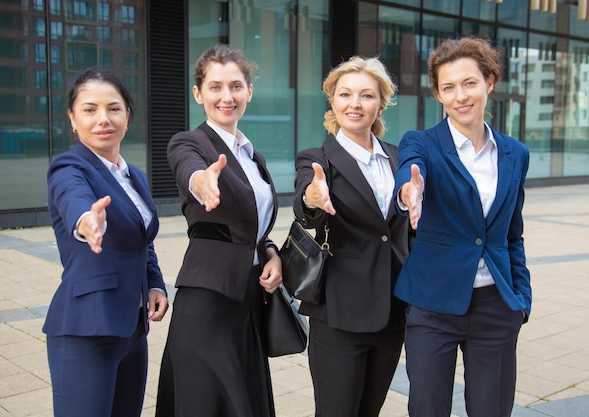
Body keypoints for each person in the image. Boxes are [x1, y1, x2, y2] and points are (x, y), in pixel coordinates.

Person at [393, 36, 531, 417]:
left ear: (489, 82)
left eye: (469, 83)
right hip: (433, 305)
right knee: (428, 409)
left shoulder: (515, 153)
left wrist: (521, 299)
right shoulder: (420, 142)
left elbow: (512, 233)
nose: (460, 96)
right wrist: (411, 190)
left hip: (495, 307)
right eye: (448, 87)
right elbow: (410, 172)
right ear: (437, 94)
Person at [155, 44, 282, 417]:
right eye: (215, 87)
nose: (226, 97)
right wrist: (201, 183)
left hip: (249, 295)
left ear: (249, 92)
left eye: (236, 86)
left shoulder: (250, 154)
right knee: (207, 397)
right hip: (209, 296)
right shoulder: (189, 143)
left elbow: (252, 225)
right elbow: (188, 169)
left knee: (245, 391)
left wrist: (271, 252)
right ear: (198, 93)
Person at [43, 67, 169, 417]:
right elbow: (74, 201)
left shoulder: (135, 177)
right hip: (87, 330)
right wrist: (88, 222)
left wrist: (155, 284)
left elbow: (143, 241)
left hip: (132, 329)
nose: (103, 119)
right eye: (89, 109)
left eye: (113, 108)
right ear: (72, 118)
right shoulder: (68, 167)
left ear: (128, 115)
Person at [293, 56, 413, 417]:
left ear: (381, 103)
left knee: (369, 411)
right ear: (332, 100)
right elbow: (306, 202)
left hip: (392, 311)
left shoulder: (397, 158)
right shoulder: (317, 159)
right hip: (340, 314)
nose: (355, 104)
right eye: (345, 94)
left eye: (366, 95)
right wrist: (312, 199)